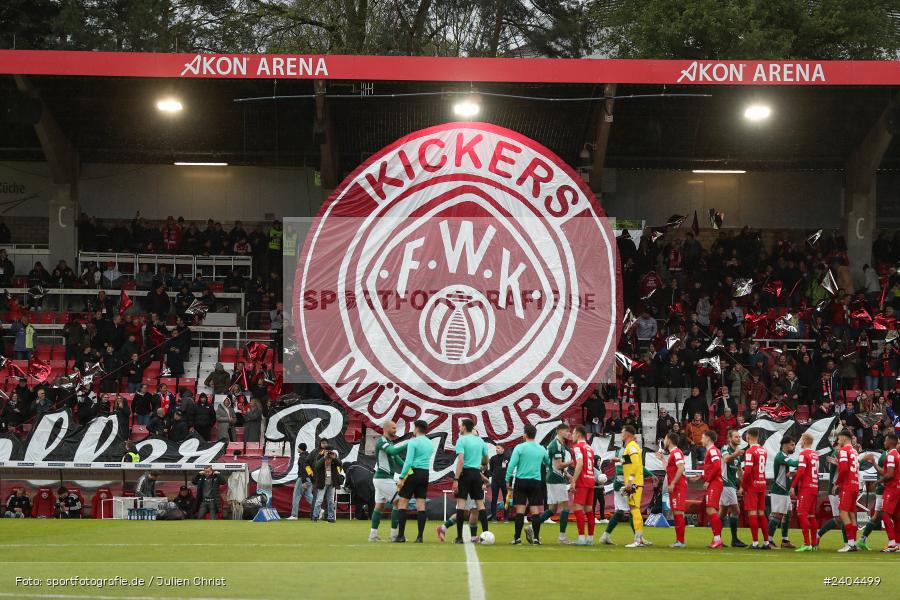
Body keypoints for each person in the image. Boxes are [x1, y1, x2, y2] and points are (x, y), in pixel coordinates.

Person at [505, 424, 550, 545]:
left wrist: (507, 479)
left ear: (525, 434)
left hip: (521, 481)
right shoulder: (541, 448)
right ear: (535, 435)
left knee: (520, 510)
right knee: (535, 510)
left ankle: (517, 538)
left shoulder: (520, 447)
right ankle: (536, 538)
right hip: (535, 482)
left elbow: (511, 465)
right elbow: (548, 462)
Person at [599, 447, 655, 546]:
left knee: (622, 511)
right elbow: (620, 469)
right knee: (632, 510)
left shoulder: (627, 450)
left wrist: (647, 474)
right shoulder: (624, 451)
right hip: (622, 486)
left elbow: (635, 466)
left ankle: (606, 536)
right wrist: (649, 474)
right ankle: (638, 538)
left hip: (623, 485)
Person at [530, 423, 573, 544]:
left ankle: (531, 527)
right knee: (565, 508)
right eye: (566, 431)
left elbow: (555, 464)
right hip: (556, 478)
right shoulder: (557, 445)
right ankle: (562, 538)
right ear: (559, 431)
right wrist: (572, 462)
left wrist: (567, 474)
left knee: (552, 509)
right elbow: (558, 465)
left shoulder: (558, 444)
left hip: (553, 477)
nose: (568, 433)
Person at [448, 419, 489, 543]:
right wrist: (481, 465)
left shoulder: (461, 440)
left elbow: (460, 461)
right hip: (476, 474)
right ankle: (485, 536)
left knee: (461, 505)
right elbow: (486, 459)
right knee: (480, 505)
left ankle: (459, 537)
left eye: (460, 426)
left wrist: (456, 479)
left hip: (465, 474)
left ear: (464, 427)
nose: (459, 428)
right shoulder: (480, 441)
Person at [394, 420, 433, 543]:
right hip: (425, 473)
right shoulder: (429, 443)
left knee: (403, 502)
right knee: (421, 505)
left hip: (413, 473)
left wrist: (401, 478)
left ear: (416, 429)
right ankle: (420, 537)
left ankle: (401, 536)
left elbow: (408, 462)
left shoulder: (413, 442)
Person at [369, 422, 405, 540]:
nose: (395, 430)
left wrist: (408, 467)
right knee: (399, 503)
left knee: (379, 506)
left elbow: (397, 459)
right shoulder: (381, 441)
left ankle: (373, 535)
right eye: (394, 428)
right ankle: (394, 535)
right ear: (386, 428)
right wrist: (410, 443)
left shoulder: (389, 442)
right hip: (383, 478)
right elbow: (393, 452)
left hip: (380, 479)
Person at [688, 430, 724, 548]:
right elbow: (713, 468)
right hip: (714, 482)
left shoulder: (712, 450)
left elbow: (717, 466)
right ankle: (717, 539)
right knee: (712, 511)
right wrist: (702, 477)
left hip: (714, 483)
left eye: (703, 437)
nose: (701, 440)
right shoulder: (712, 451)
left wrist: (708, 481)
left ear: (708, 438)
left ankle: (717, 539)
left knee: (711, 510)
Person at [791, 432, 821, 552]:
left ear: (804, 441)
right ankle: (814, 544)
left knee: (801, 514)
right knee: (811, 516)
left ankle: (806, 543)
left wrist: (793, 486)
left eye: (801, 440)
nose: (800, 442)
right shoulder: (815, 455)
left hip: (806, 488)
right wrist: (796, 472)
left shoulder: (804, 454)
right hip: (814, 486)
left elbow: (802, 471)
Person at [833, 429, 861, 552]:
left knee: (843, 513)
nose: (838, 441)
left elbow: (844, 469)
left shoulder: (843, 450)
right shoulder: (854, 451)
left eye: (839, 438)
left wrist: (836, 483)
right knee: (851, 514)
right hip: (855, 485)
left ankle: (850, 544)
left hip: (847, 486)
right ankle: (854, 542)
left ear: (844, 438)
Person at [659, 431, 687, 548]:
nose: (664, 441)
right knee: (676, 512)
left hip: (678, 486)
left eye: (665, 439)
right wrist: (662, 459)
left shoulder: (676, 452)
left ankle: (680, 541)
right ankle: (678, 540)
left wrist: (673, 483)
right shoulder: (672, 454)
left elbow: (681, 468)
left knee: (678, 512)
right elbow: (668, 469)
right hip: (675, 486)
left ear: (669, 440)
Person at [742, 427, 769, 549]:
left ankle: (755, 543)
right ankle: (767, 542)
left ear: (748, 437)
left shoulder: (750, 451)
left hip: (752, 485)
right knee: (761, 512)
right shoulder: (763, 450)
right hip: (762, 483)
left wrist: (743, 486)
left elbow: (747, 471)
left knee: (752, 512)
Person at [769, 435, 798, 549]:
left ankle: (785, 541)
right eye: (792, 444)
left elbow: (792, 466)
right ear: (784, 445)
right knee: (777, 515)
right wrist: (807, 459)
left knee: (788, 514)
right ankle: (769, 540)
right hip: (778, 490)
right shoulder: (780, 456)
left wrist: (795, 472)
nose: (794, 447)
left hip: (784, 491)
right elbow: (793, 463)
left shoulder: (784, 456)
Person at [720, 428, 747, 547]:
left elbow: (739, 470)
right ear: (730, 438)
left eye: (739, 437)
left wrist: (744, 484)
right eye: (736, 437)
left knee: (723, 512)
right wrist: (736, 454)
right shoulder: (726, 448)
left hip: (730, 484)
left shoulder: (738, 452)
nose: (738, 438)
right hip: (725, 483)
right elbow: (726, 459)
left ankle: (717, 539)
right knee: (736, 511)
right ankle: (734, 539)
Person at [570, 425, 597, 546]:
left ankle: (581, 538)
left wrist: (573, 481)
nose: (572, 435)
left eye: (573, 433)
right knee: (588, 510)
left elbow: (580, 463)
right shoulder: (590, 448)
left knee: (577, 508)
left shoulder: (577, 447)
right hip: (591, 480)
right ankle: (590, 538)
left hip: (582, 481)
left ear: (579, 434)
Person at [874, 433, 899, 552]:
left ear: (890, 442)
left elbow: (889, 474)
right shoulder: (897, 455)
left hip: (892, 488)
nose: (884, 442)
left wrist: (878, 481)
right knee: (897, 517)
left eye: (885, 440)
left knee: (885, 514)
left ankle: (892, 543)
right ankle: (898, 543)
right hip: (898, 488)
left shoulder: (890, 455)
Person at [312, 446, 343, 523]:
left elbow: (340, 464)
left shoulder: (334, 456)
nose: (328, 453)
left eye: (330, 451)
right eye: (327, 451)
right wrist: (324, 458)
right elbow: (316, 466)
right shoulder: (320, 456)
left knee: (331, 501)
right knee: (319, 500)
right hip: (322, 482)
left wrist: (334, 458)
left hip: (332, 483)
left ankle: (331, 517)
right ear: (324, 451)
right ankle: (315, 516)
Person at [288, 443, 315, 521]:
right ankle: (319, 510)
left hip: (302, 479)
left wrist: (303, 481)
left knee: (296, 496)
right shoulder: (309, 457)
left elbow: (303, 469)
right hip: (309, 479)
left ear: (300, 448)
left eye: (298, 448)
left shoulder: (302, 458)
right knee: (309, 496)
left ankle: (294, 515)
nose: (297, 449)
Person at [488, 444, 509, 522]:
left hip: (504, 481)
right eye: (496, 448)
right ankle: (494, 517)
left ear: (503, 449)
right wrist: (490, 479)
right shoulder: (493, 458)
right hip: (495, 481)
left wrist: (509, 480)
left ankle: (506, 517)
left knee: (506, 499)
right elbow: (491, 470)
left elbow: (509, 468)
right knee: (494, 499)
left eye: (498, 448)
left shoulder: (507, 458)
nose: (496, 449)